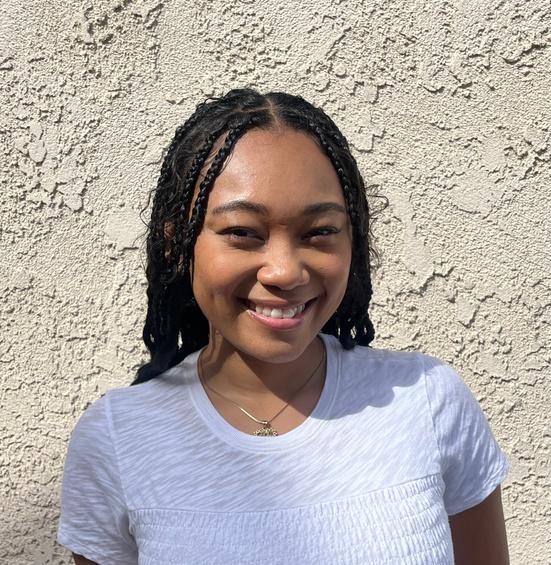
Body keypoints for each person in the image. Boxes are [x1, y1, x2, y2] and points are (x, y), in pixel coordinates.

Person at [57, 88, 510, 564]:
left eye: (319, 232)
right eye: (242, 232)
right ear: (178, 244)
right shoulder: (117, 439)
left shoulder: (427, 400)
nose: (285, 271)